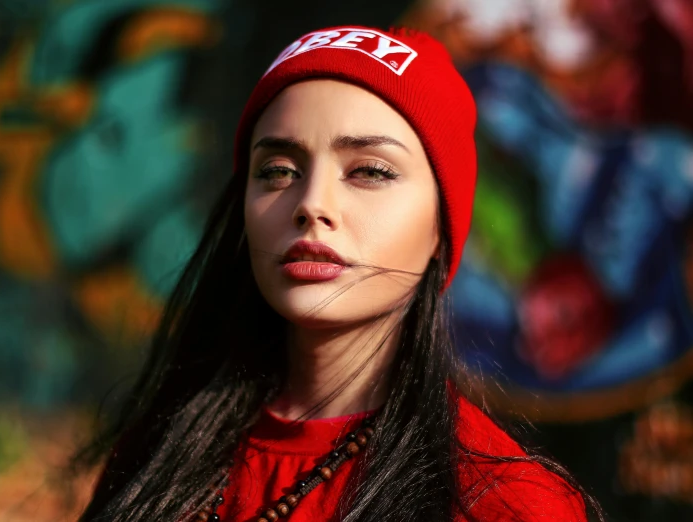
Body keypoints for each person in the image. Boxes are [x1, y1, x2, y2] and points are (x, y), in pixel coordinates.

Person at [76, 26, 603, 521]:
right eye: (278, 171)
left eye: (370, 171)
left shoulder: (506, 504)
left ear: (441, 227)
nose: (311, 204)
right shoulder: (159, 454)